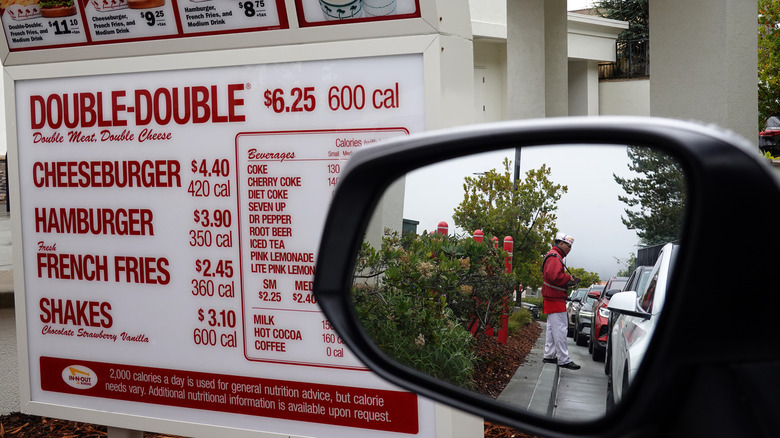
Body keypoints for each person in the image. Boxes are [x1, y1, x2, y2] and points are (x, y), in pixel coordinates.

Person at [541, 232, 581, 370]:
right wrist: (568, 279)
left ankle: (549, 355)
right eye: (568, 246)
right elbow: (554, 277)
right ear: (561, 243)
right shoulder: (555, 257)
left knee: (552, 329)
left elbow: (553, 277)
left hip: (552, 297)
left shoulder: (554, 256)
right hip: (555, 298)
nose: (569, 249)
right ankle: (563, 359)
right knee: (560, 329)